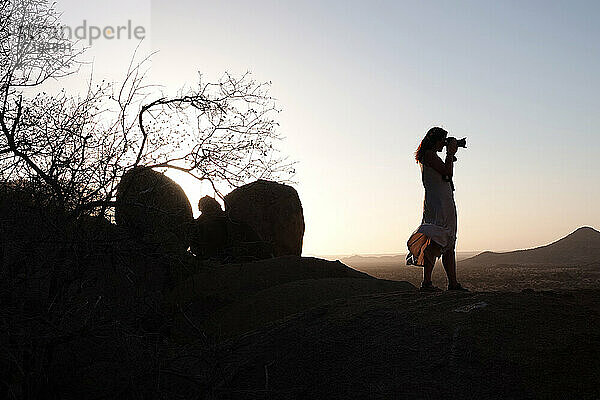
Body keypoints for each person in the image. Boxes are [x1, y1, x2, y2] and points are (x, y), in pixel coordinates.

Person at [406, 127, 469, 292]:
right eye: (443, 140)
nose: (444, 143)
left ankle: (452, 283)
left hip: (440, 202)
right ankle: (428, 283)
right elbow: (448, 174)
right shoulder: (429, 155)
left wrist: (450, 154)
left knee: (447, 242)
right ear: (435, 140)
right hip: (439, 204)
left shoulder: (429, 156)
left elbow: (444, 175)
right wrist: (450, 154)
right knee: (437, 240)